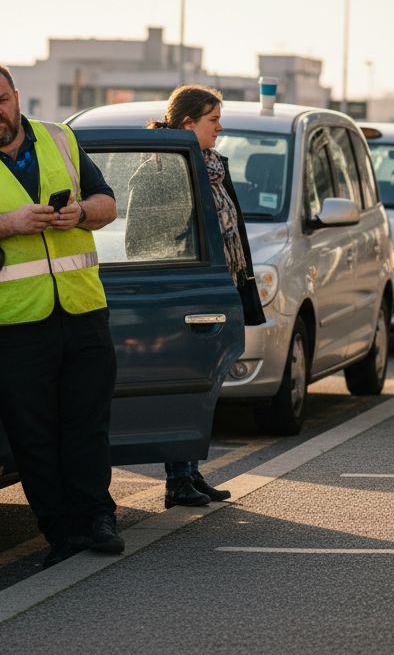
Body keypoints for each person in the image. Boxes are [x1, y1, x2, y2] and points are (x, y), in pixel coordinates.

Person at [0, 59, 122, 567]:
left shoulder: (60, 139)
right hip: (11, 322)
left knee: (88, 425)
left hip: (82, 309)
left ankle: (98, 517)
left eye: (2, 100)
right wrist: (11, 222)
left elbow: (107, 204)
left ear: (18, 98)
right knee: (34, 436)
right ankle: (61, 532)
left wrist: (78, 212)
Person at [142, 84, 266, 508]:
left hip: (215, 290)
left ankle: (190, 472)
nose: (220, 127)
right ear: (188, 122)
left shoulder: (210, 164)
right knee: (182, 385)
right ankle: (177, 481)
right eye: (213, 119)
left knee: (203, 386)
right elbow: (145, 240)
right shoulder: (159, 169)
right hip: (180, 295)